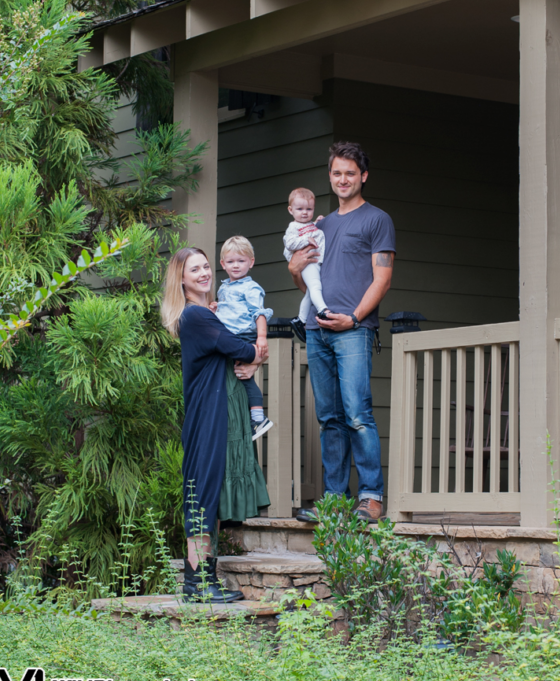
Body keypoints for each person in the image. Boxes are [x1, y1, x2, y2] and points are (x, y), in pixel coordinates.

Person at [288, 142, 395, 524]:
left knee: (358, 415)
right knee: (329, 418)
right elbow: (310, 284)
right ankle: (335, 500)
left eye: (350, 173)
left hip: (353, 330)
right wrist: (294, 270)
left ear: (363, 176)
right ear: (329, 177)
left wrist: (354, 317)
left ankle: (371, 497)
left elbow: (382, 279)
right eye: (336, 173)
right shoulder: (320, 225)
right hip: (318, 330)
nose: (343, 179)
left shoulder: (376, 219)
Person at [161, 247, 270, 602]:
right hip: (207, 416)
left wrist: (250, 357)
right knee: (201, 498)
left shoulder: (207, 313)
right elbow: (240, 348)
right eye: (195, 269)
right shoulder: (197, 317)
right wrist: (255, 355)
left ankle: (205, 579)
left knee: (208, 497)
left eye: (207, 266)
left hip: (212, 413)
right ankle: (196, 584)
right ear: (181, 279)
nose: (205, 273)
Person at [212, 235, 274, 441]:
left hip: (243, 336)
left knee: (244, 376)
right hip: (228, 336)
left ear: (251, 262)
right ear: (223, 264)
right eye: (230, 261)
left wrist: (261, 338)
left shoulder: (251, 287)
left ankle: (258, 418)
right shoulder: (223, 288)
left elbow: (259, 313)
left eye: (241, 261)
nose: (236, 266)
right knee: (237, 375)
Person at [282, 187, 329, 340]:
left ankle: (300, 319)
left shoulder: (308, 224)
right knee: (316, 286)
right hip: (307, 261)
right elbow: (289, 243)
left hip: (314, 261)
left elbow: (311, 230)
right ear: (291, 210)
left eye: (309, 209)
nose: (304, 212)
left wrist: (317, 223)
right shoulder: (293, 227)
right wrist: (305, 240)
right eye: (300, 208)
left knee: (310, 291)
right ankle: (323, 310)